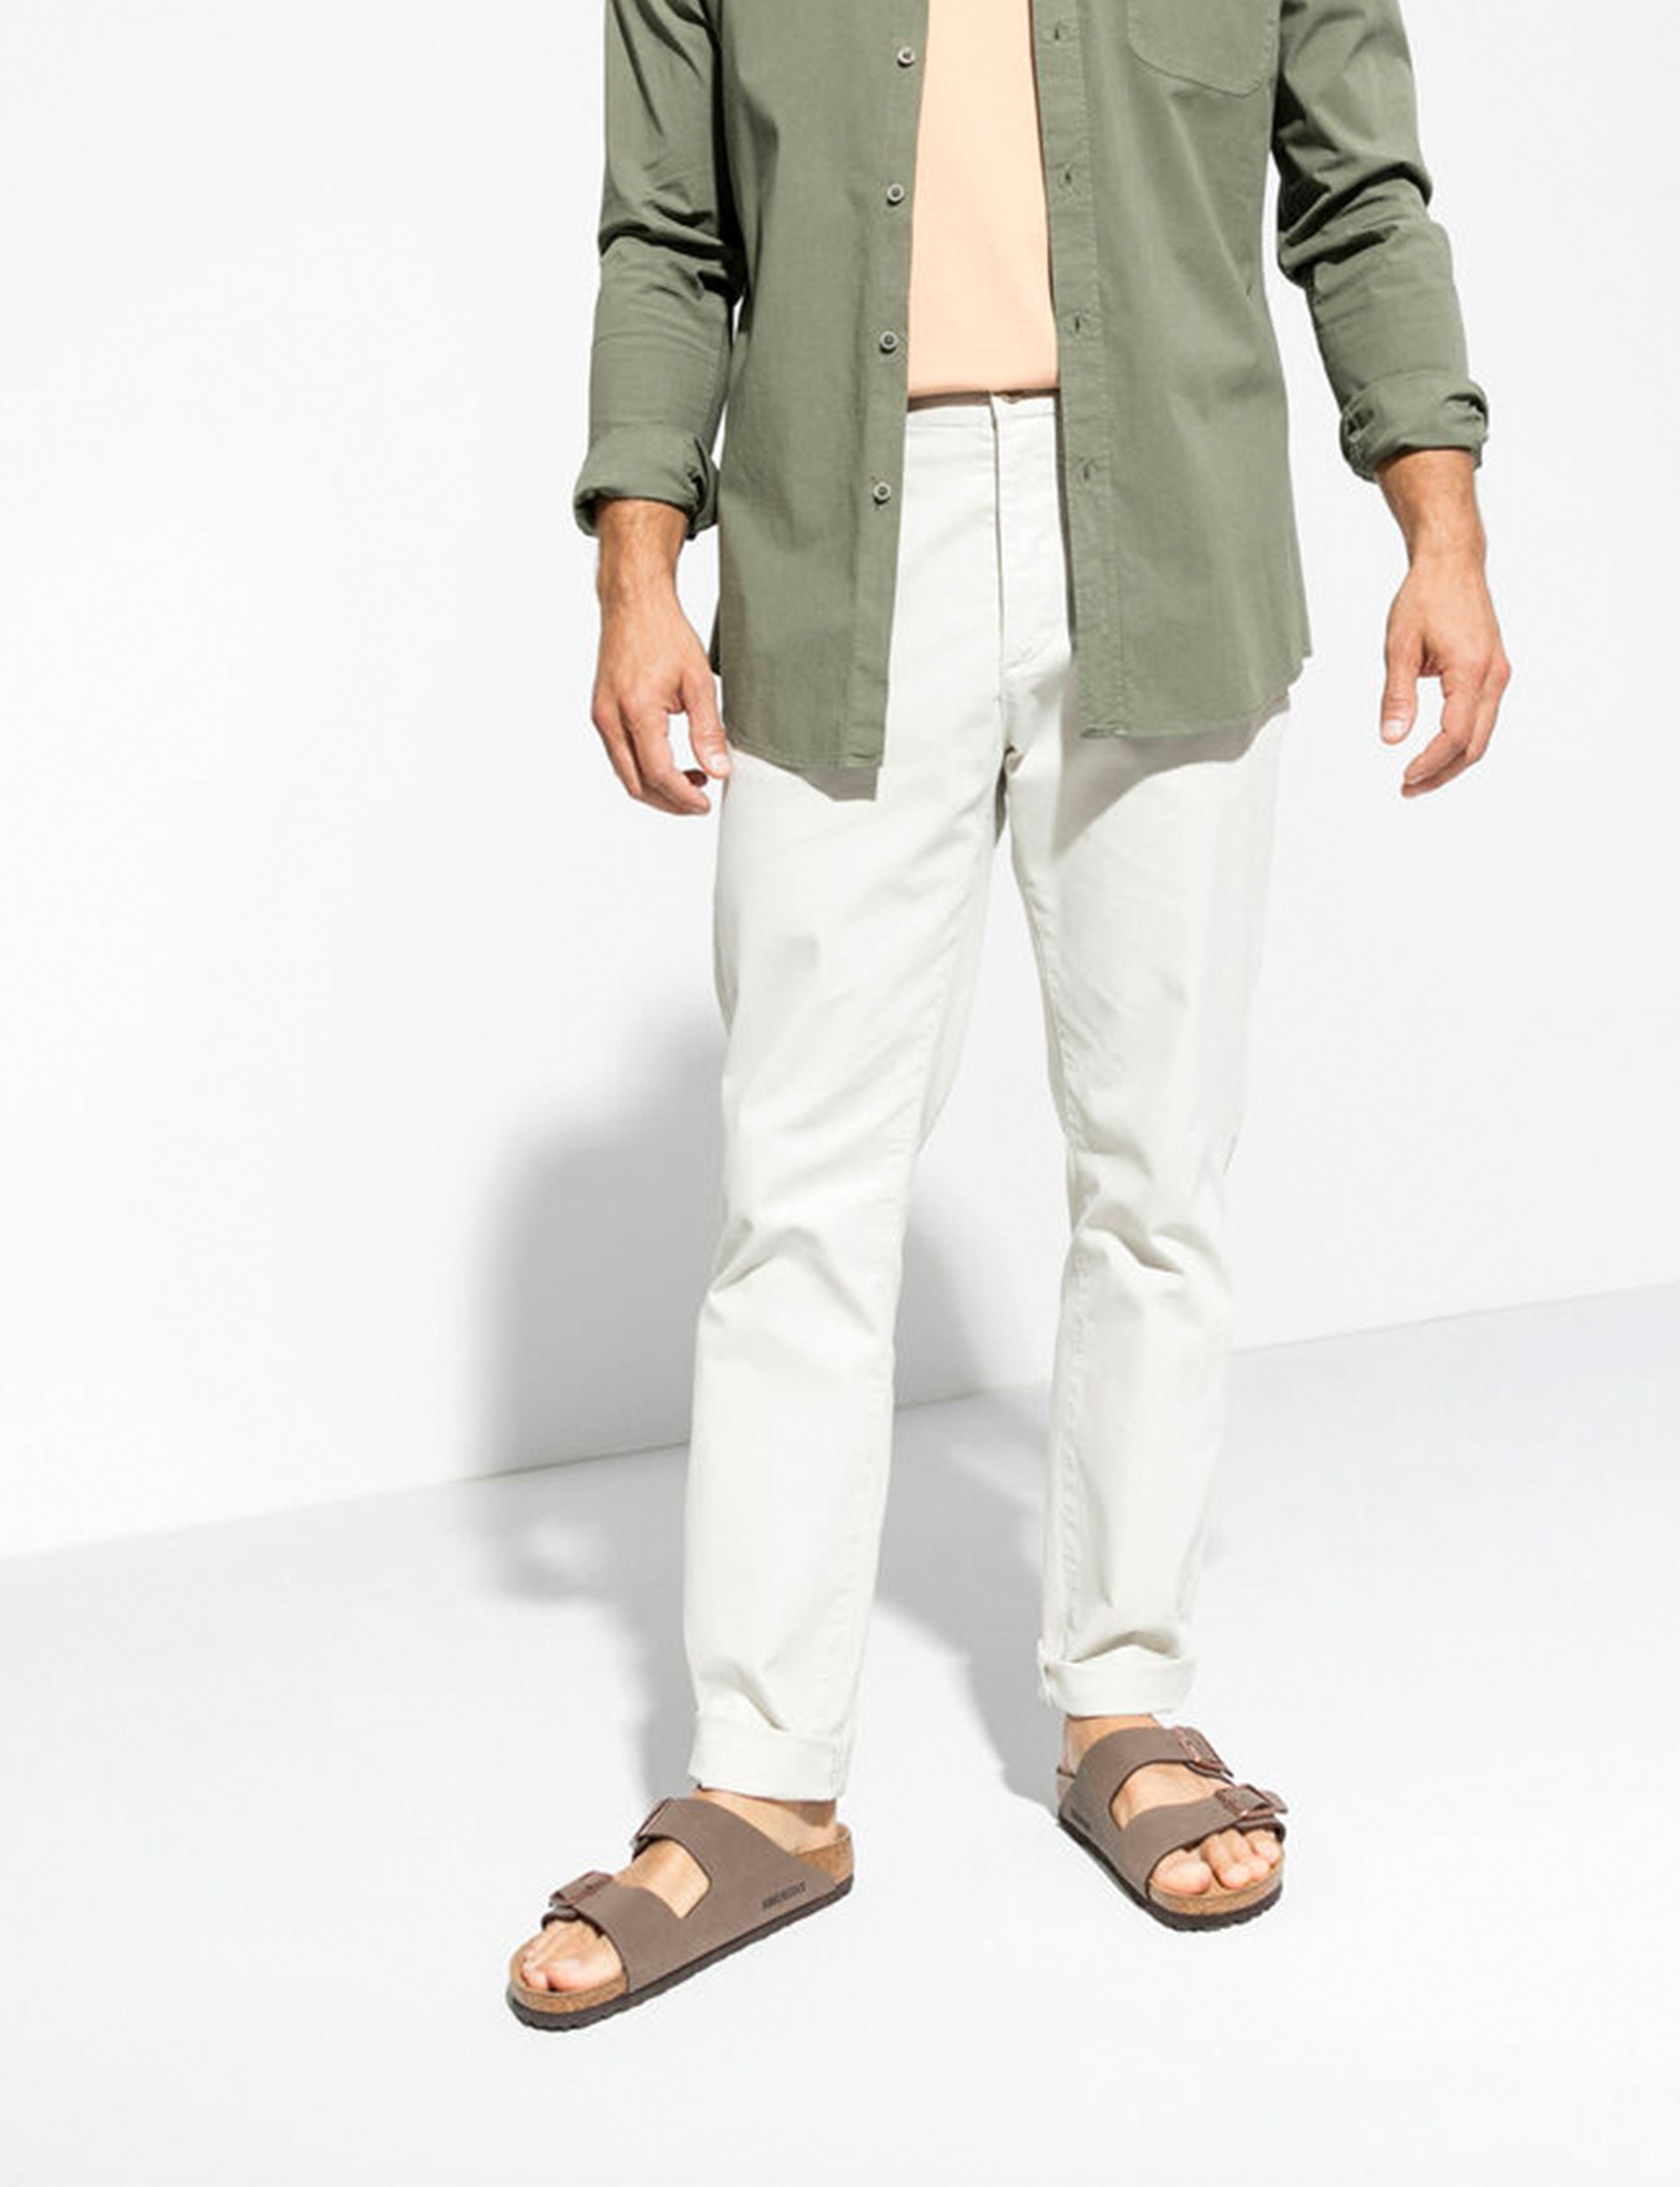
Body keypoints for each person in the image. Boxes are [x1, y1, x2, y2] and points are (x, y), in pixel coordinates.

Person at [508, 0, 1509, 2029]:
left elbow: (1358, 194)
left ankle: (1125, 1703)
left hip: (1171, 526)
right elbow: (670, 234)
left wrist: (1444, 528)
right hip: (829, 537)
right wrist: (637, 571)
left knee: (1157, 1172)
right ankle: (764, 1783)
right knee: (798, 1191)